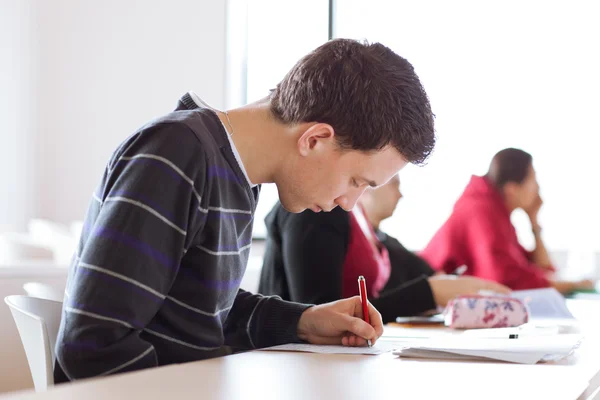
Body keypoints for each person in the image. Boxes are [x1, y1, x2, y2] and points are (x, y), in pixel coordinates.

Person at [54, 38, 436, 382]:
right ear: (315, 139)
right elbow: (94, 344)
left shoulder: (236, 177)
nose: (349, 203)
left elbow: (195, 310)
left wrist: (304, 322)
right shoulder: (175, 155)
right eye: (357, 181)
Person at [258, 175, 509, 323]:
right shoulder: (319, 211)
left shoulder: (366, 229)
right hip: (290, 361)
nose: (400, 194)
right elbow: (320, 314)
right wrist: (428, 293)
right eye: (392, 181)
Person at [421, 148, 595, 294]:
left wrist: (534, 222)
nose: (538, 188)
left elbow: (540, 268)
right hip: (426, 297)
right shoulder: (481, 209)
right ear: (512, 189)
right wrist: (570, 285)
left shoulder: (498, 213)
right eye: (533, 179)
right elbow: (505, 279)